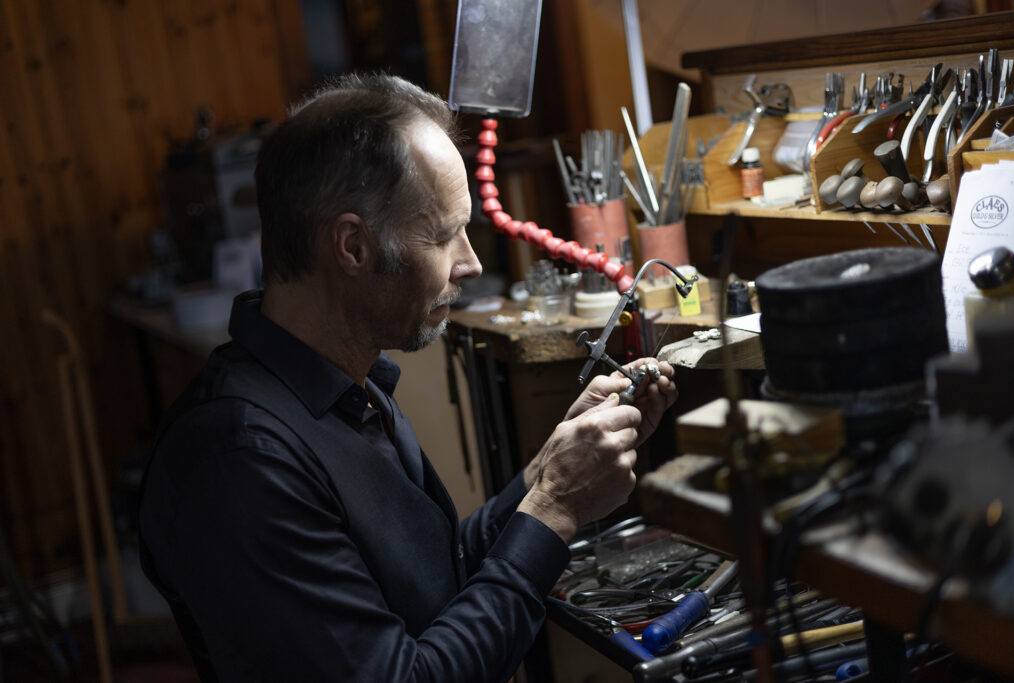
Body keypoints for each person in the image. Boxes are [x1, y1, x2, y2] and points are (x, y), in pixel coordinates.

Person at [138, 72, 678, 682]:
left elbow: (432, 582)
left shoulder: (350, 388)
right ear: (352, 246)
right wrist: (554, 509)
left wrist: (549, 471)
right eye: (444, 236)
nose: (471, 263)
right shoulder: (241, 461)